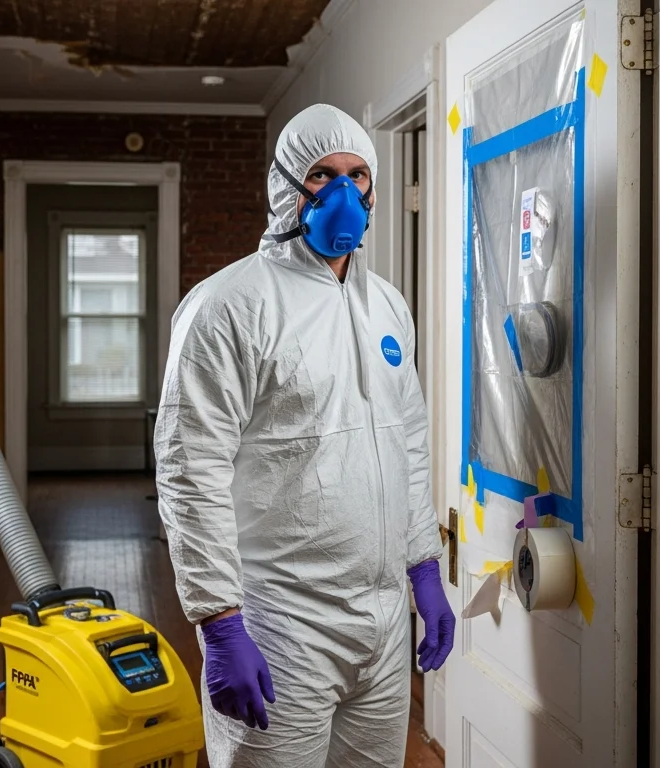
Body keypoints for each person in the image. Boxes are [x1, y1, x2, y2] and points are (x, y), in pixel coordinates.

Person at [154, 103, 455, 767]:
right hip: (280, 618)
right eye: (324, 175)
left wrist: (424, 569)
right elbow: (189, 469)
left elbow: (405, 444)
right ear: (286, 187)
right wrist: (220, 622)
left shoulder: (387, 304)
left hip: (379, 619)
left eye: (358, 175)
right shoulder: (228, 307)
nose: (345, 192)